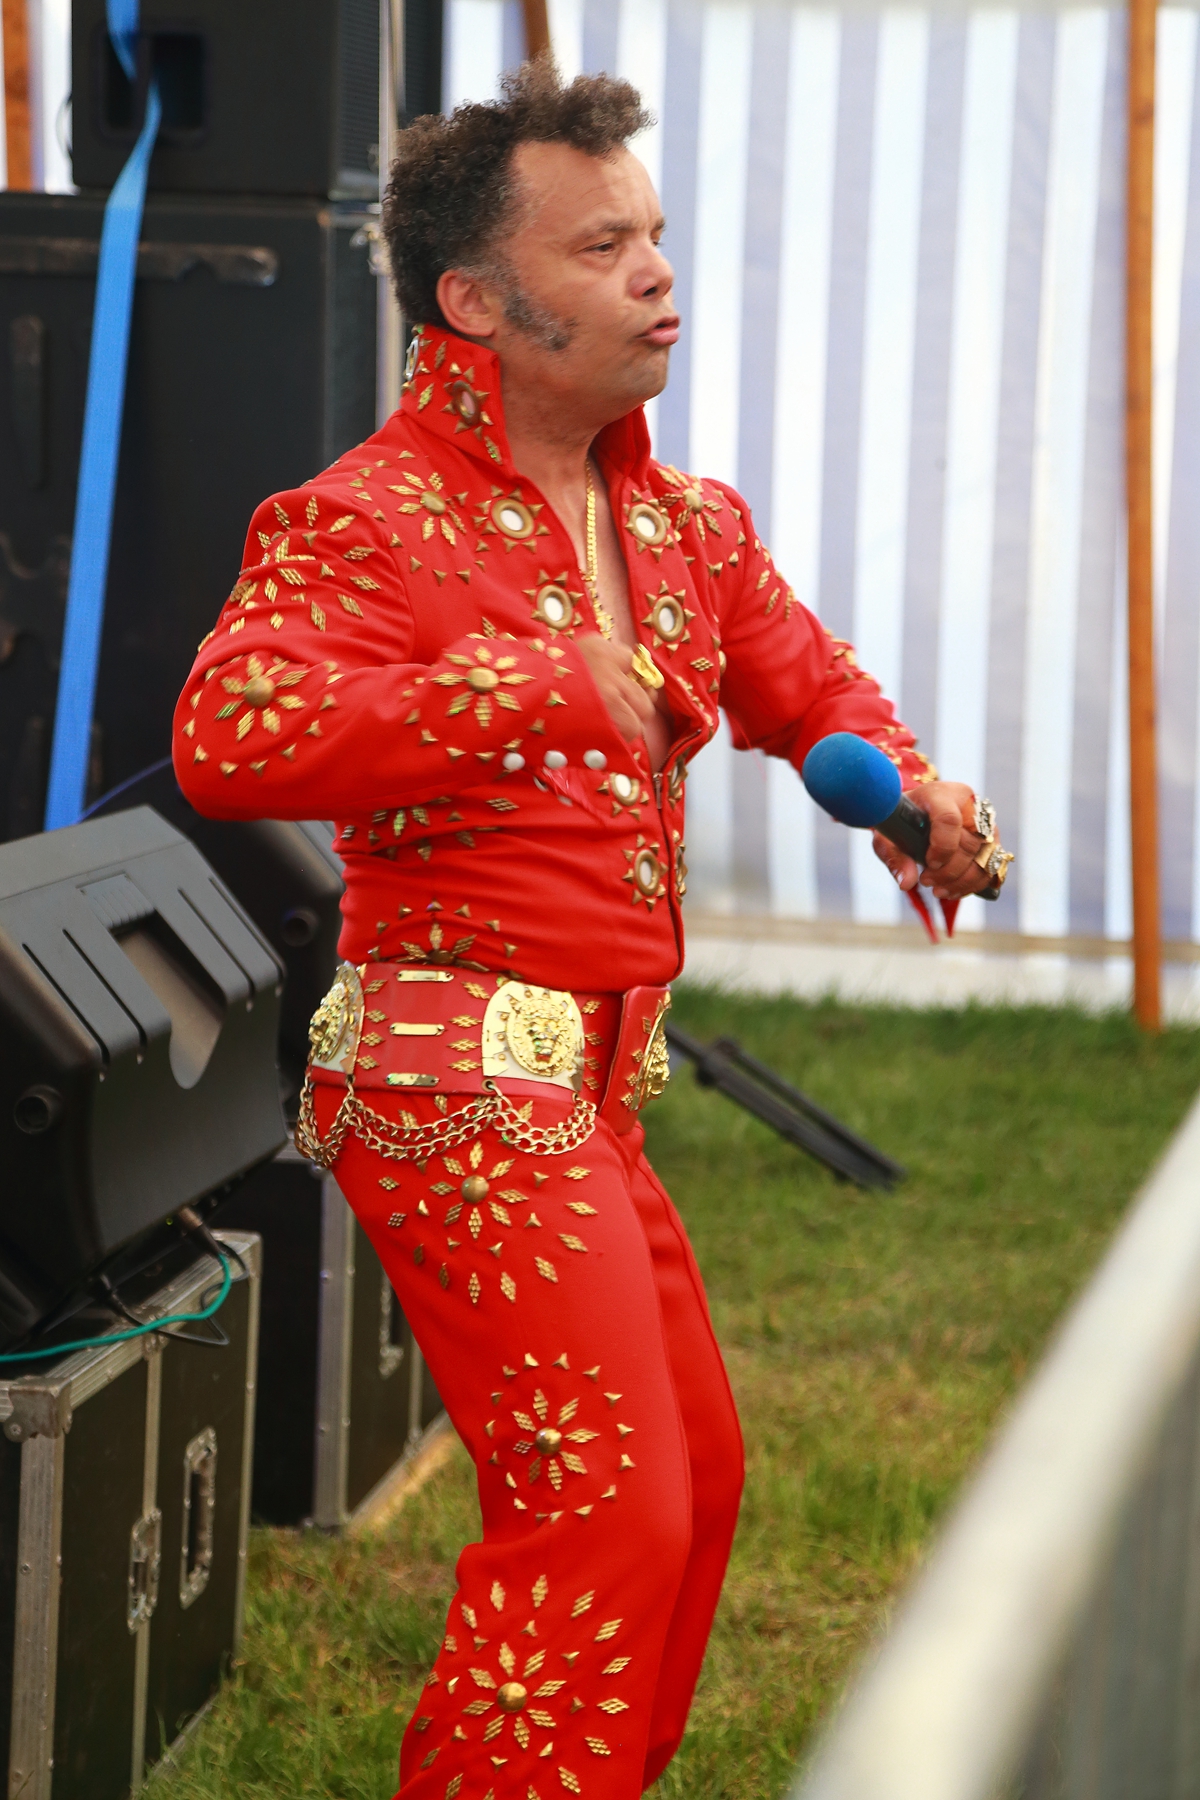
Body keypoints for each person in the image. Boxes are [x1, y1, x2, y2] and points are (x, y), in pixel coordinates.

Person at [173, 58, 1005, 1800]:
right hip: (448, 1078)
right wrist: (525, 684)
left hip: (593, 1094)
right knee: (606, 1511)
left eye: (656, 234)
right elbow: (231, 733)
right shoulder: (360, 519)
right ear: (478, 301)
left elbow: (811, 691)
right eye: (602, 244)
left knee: (694, 1485)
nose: (656, 271)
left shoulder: (684, 529)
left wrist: (910, 791)